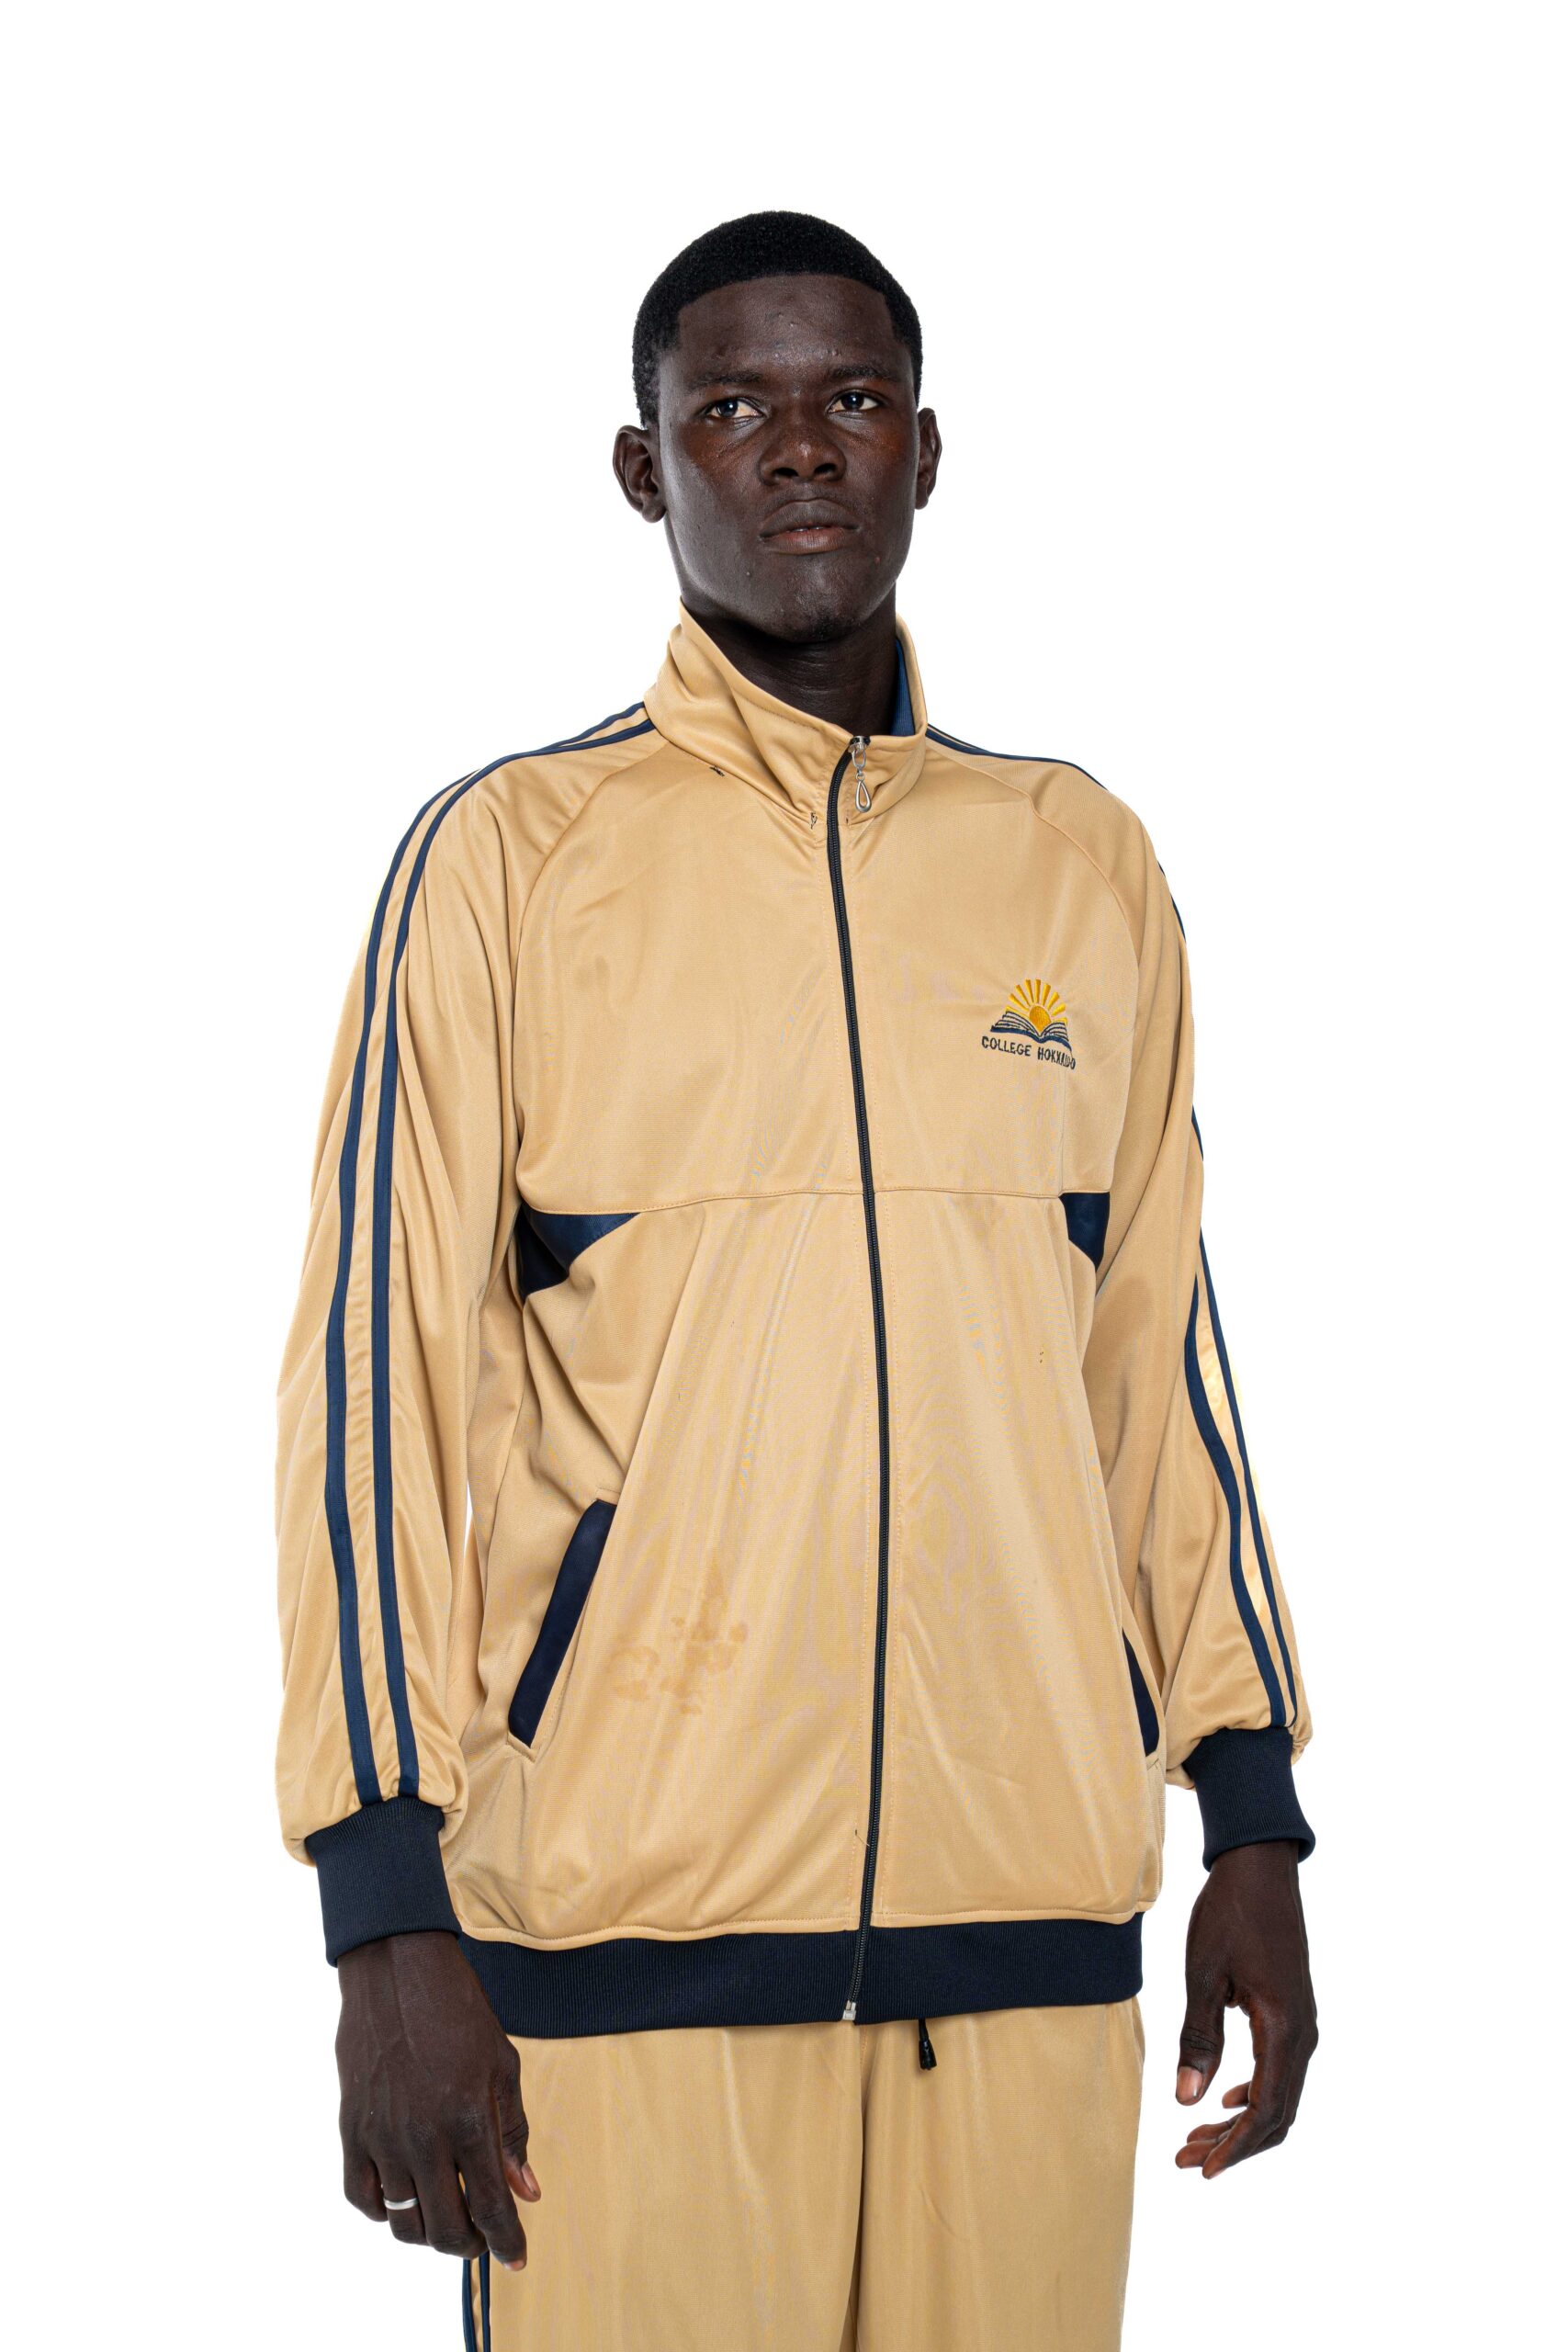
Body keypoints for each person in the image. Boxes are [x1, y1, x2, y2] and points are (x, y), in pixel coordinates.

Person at [275, 209, 1317, 2351]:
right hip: (621, 1963)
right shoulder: (507, 864)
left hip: (1027, 1945)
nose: (800, 448)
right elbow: (372, 1401)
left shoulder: (1078, 863)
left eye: (849, 398)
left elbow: (1154, 1377)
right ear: (642, 469)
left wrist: (1248, 1813)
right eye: (731, 407)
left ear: (925, 449)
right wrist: (382, 1916)